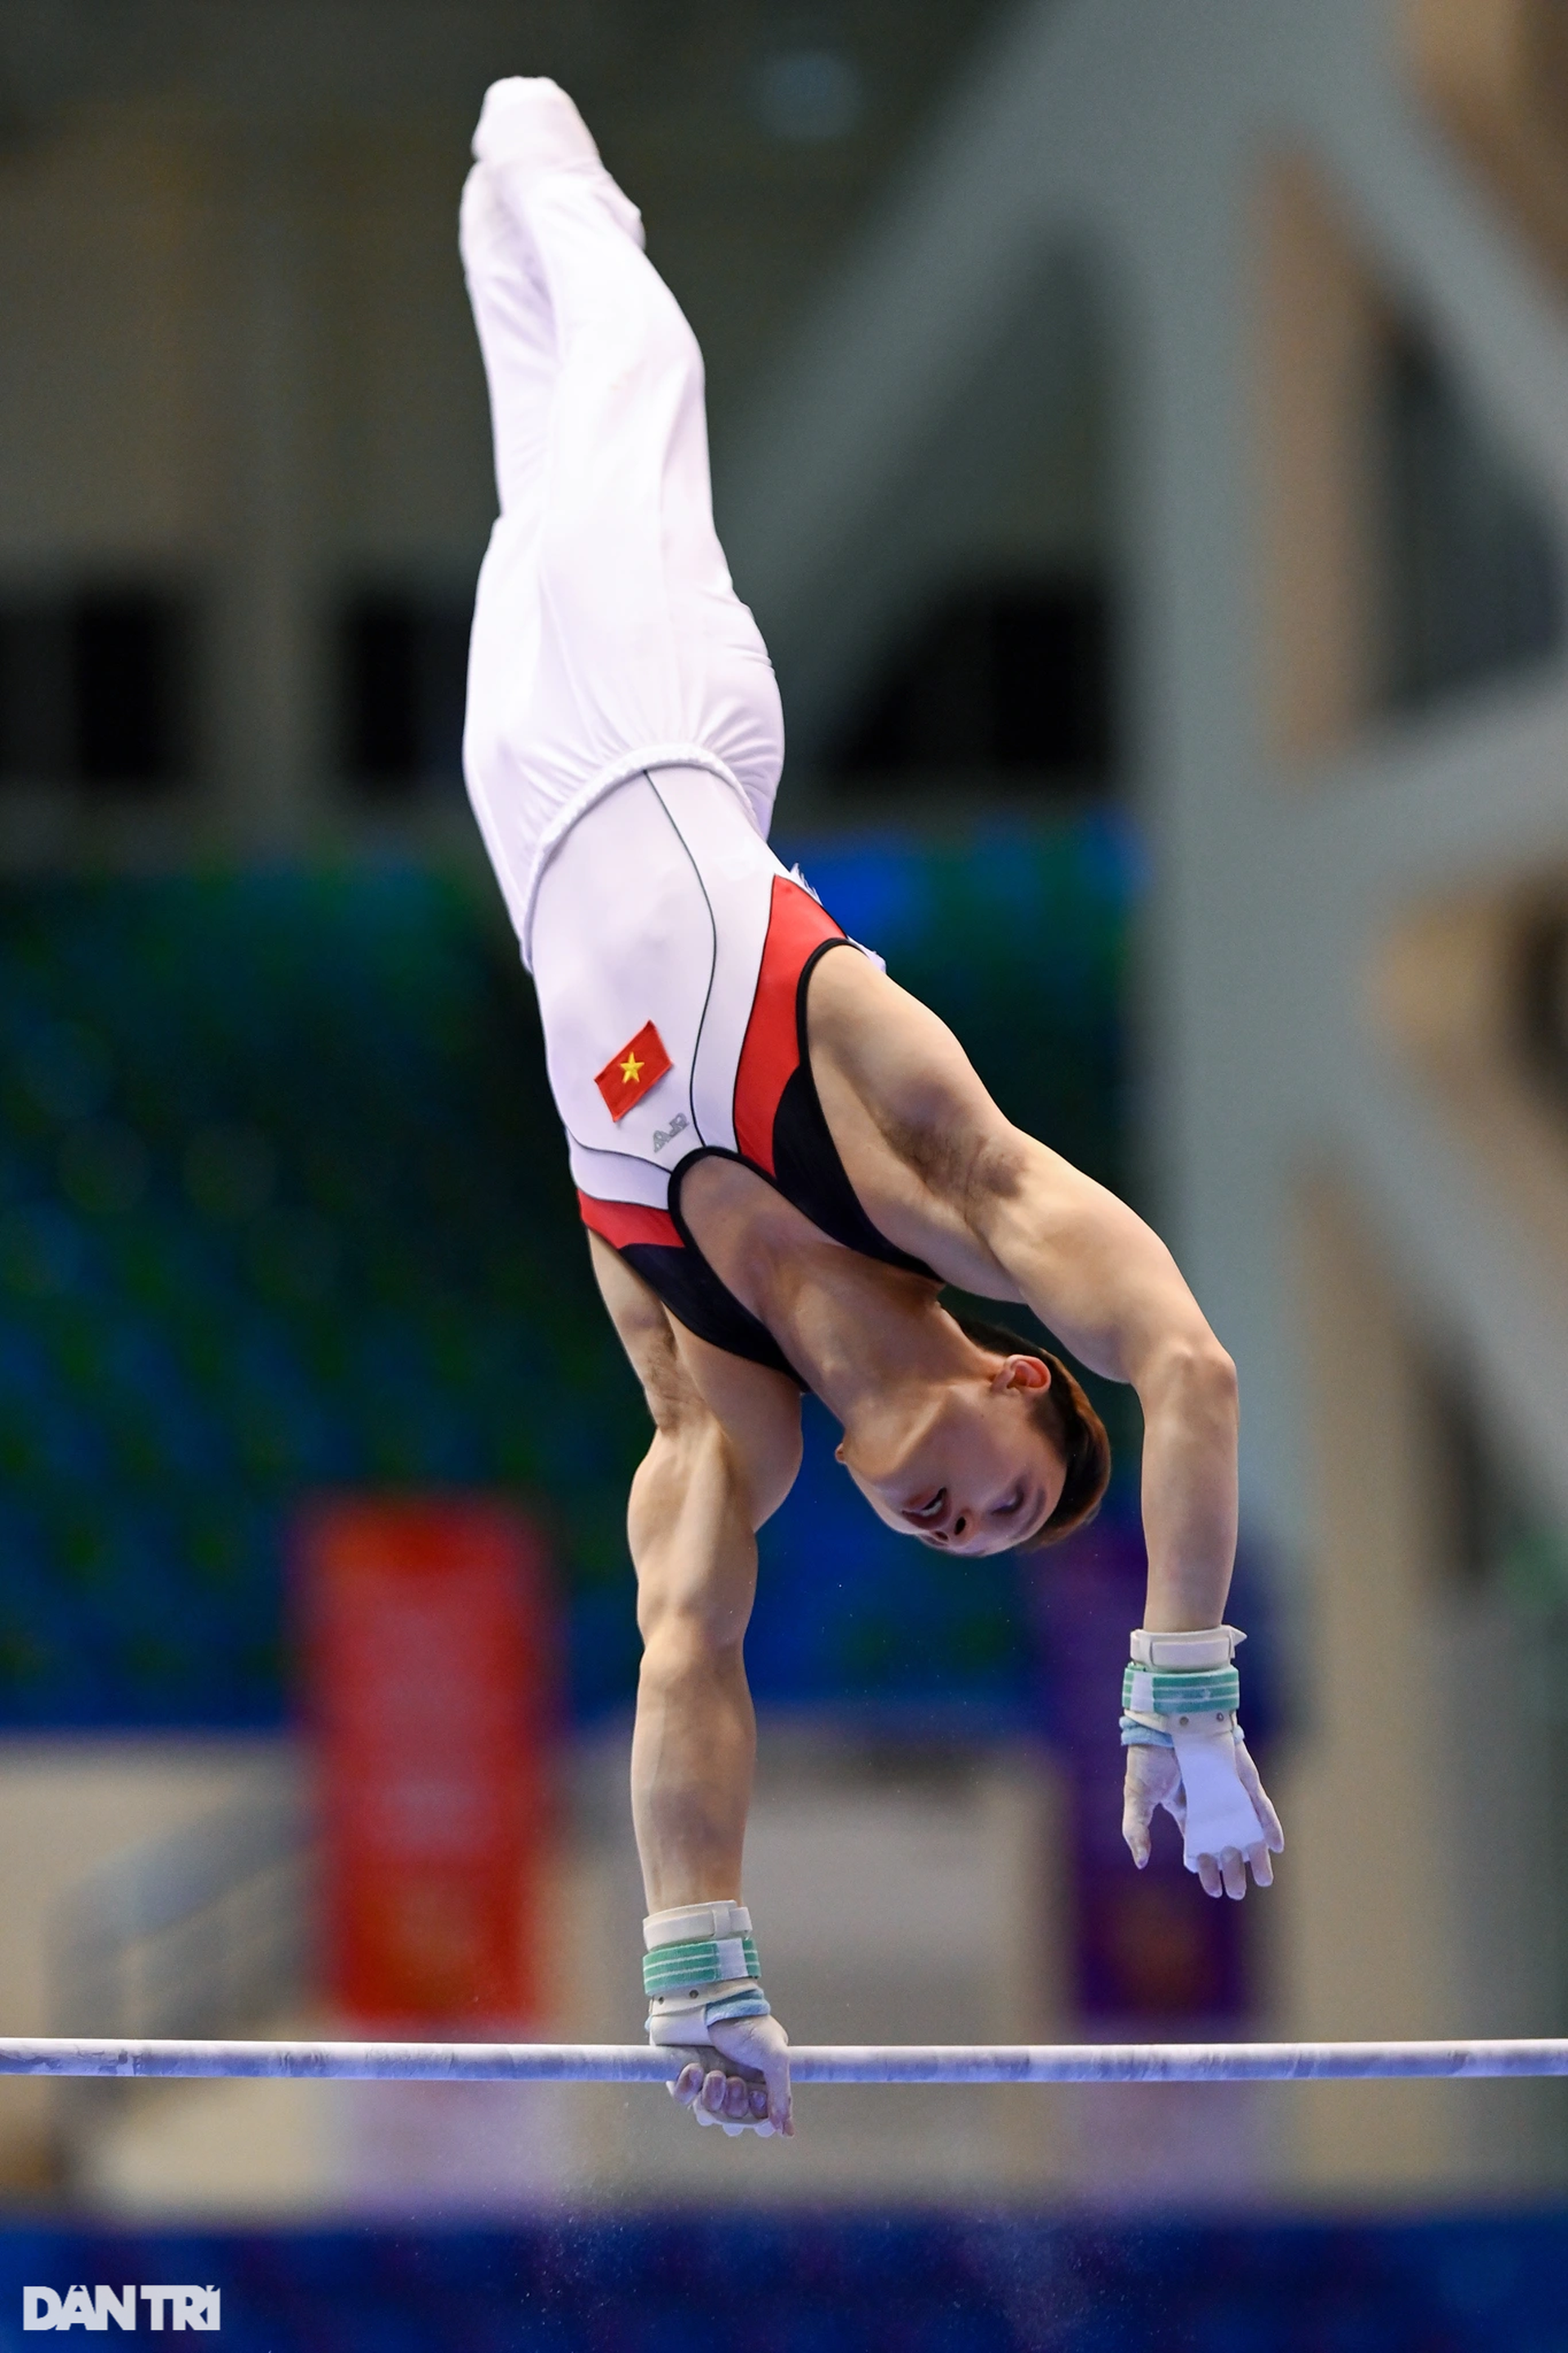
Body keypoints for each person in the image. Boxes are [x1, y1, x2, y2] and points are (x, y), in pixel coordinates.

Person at [459, 78, 1283, 2142]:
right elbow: (1186, 1361)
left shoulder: (715, 1413)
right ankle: (540, 134)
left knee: (543, 451)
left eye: (973, 1538)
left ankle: (506, 194)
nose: (964, 1522)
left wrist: (697, 1946)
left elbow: (683, 1654)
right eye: (1012, 1488)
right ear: (1016, 1370)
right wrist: (1181, 1675)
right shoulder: (931, 1160)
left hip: (537, 805)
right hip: (660, 719)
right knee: (634, 360)